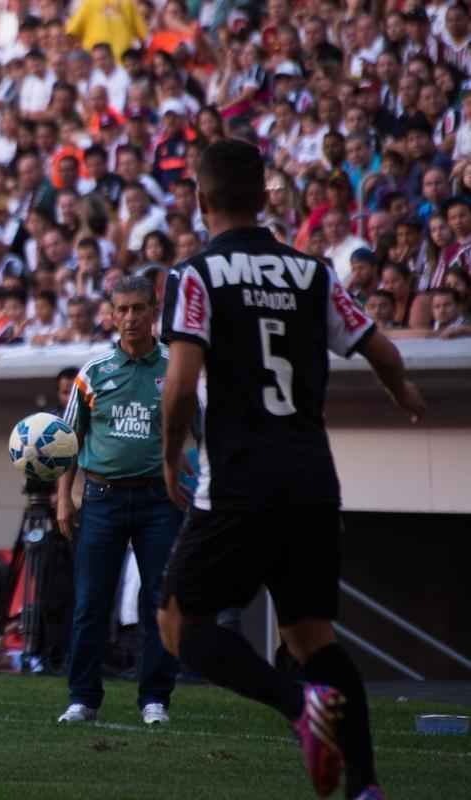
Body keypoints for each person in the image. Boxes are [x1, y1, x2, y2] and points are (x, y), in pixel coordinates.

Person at [158, 139, 426, 800]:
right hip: (312, 477)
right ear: (263, 199)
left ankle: (294, 704)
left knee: (178, 624)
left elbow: (181, 380)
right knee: (313, 636)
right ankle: (366, 787)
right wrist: (404, 396)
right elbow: (381, 348)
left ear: (201, 197)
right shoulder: (313, 273)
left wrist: (170, 455)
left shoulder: (196, 275)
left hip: (240, 480)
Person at [54, 275, 182, 727]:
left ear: (154, 312)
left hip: (159, 501)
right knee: (91, 602)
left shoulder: (176, 368)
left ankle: (155, 699)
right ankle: (82, 698)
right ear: (111, 315)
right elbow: (68, 440)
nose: (130, 318)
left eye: (138, 309)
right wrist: (64, 498)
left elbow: (203, 433)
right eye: (121, 309)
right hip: (102, 499)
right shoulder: (92, 373)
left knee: (159, 603)